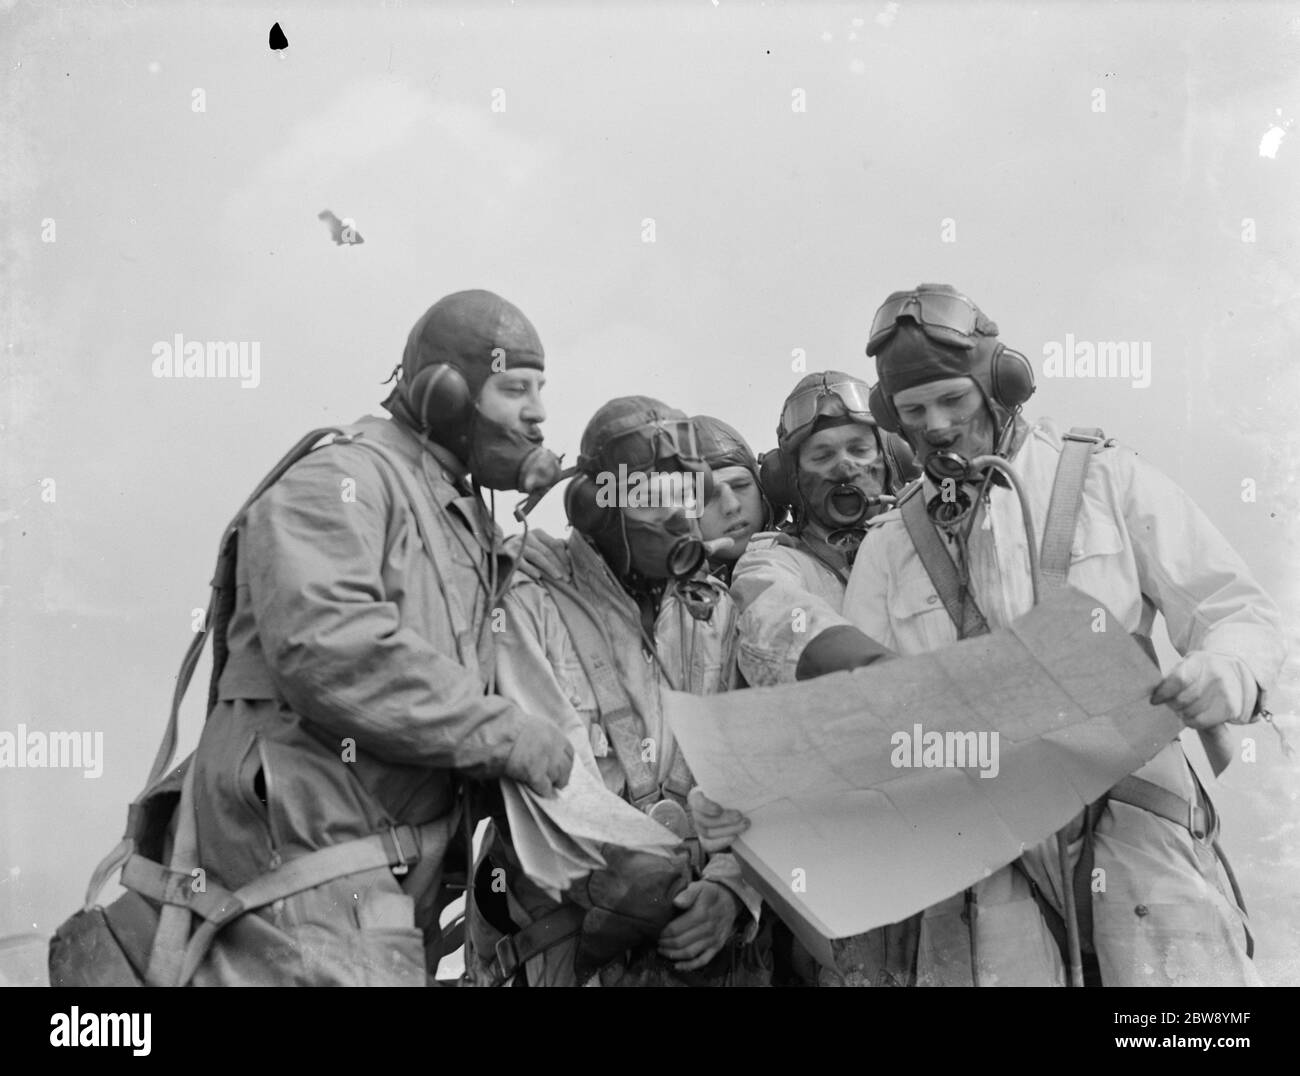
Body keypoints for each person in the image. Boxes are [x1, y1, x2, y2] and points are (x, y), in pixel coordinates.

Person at [840, 282, 1285, 986]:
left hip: (1134, 822)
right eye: (914, 410)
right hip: (986, 860)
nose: (937, 427)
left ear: (1002, 386)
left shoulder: (1105, 480)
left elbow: (1235, 609)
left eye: (953, 400)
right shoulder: (889, 548)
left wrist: (1223, 673)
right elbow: (861, 714)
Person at [180, 289, 575, 986]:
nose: (538, 412)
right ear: (445, 396)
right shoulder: (343, 478)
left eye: (540, 390)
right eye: (515, 388)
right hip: (308, 872)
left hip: (378, 888)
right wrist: (508, 736)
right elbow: (330, 648)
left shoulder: (454, 515)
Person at [467, 397, 765, 987]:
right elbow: (554, 789)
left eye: (686, 496)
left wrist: (732, 893)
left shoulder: (717, 614)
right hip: (566, 949)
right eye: (652, 497)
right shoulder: (528, 602)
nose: (678, 517)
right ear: (595, 508)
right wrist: (663, 889)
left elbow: (756, 776)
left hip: (696, 954)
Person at [692, 372, 921, 986]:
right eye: (821, 455)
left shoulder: (931, 542)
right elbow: (773, 614)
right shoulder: (776, 559)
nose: (843, 468)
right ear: (791, 479)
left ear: (889, 455)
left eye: (858, 449)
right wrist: (872, 673)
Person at [691, 414, 776, 584]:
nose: (732, 506)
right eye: (708, 496)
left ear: (762, 490)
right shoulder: (664, 597)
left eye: (741, 485)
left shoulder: (812, 560)